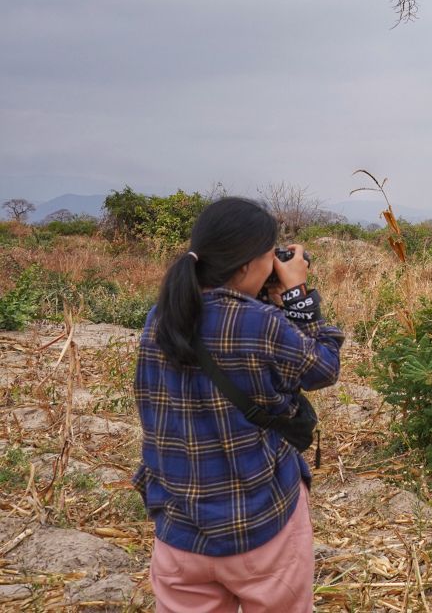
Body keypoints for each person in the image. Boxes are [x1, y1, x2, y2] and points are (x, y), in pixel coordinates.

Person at [133, 196, 344, 612]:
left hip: (180, 531)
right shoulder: (260, 324)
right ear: (248, 263)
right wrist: (298, 294)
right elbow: (323, 369)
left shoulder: (161, 316)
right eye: (270, 256)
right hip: (262, 525)